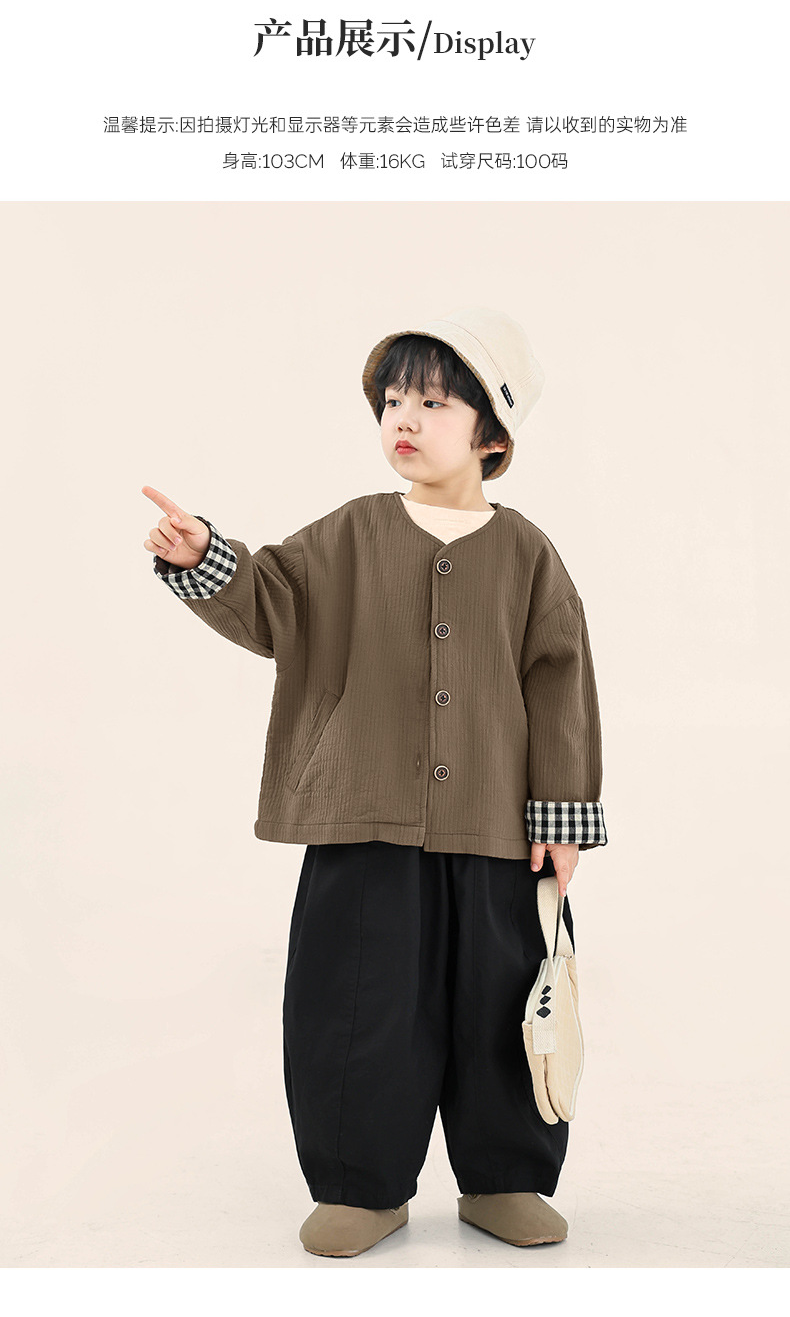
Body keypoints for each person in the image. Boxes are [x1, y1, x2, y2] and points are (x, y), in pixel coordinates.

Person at [142, 306, 607, 1258]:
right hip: (362, 827)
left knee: (502, 1003)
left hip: (498, 833)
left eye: (433, 402)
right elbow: (271, 600)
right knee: (354, 1006)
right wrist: (205, 559)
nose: (404, 417)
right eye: (393, 399)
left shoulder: (529, 555)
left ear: (492, 433)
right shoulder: (349, 533)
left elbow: (559, 680)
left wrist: (562, 816)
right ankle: (359, 1183)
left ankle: (507, 1175)